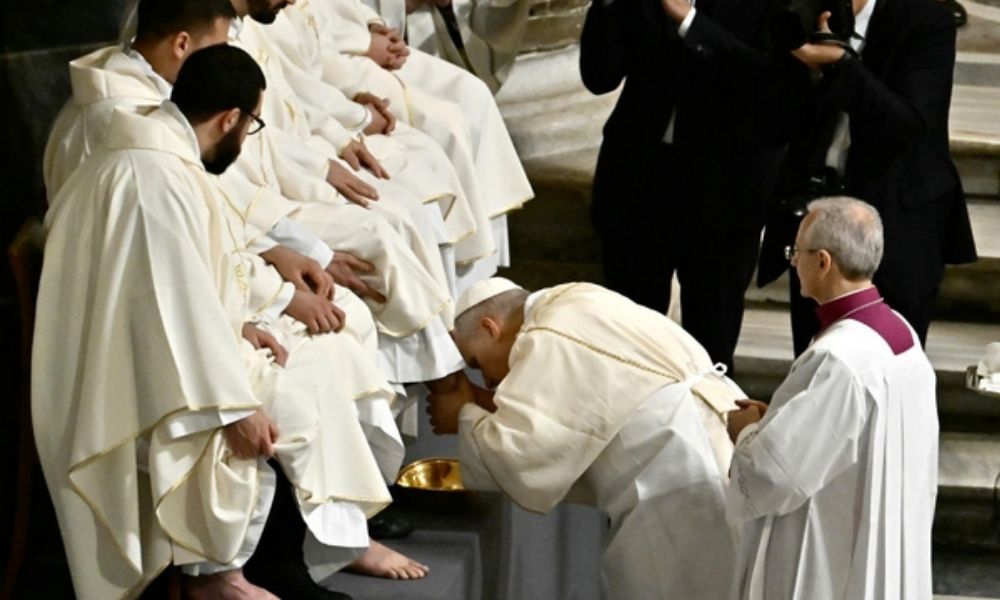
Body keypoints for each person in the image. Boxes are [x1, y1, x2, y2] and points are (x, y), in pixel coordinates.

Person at [35, 44, 404, 600]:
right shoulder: (154, 174)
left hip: (134, 350)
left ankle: (279, 562)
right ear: (231, 118)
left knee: (301, 370)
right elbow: (170, 300)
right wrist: (233, 405)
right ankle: (218, 577)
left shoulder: (158, 151)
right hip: (117, 384)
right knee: (286, 412)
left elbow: (181, 281)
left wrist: (240, 323)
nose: (248, 135)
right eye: (253, 123)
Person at [426, 278, 741, 598]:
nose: (490, 380)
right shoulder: (571, 302)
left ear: (490, 327)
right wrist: (477, 402)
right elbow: (567, 406)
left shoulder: (546, 336)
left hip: (675, 480)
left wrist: (463, 416)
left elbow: (524, 452)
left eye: (477, 363)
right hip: (704, 446)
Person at [727, 197, 938, 599]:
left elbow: (773, 475)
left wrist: (746, 432)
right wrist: (781, 420)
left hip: (834, 553)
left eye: (796, 253)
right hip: (884, 532)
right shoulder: (901, 333)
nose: (792, 262)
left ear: (823, 262)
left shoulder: (837, 357)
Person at [756, 0, 977, 355]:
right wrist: (804, 69)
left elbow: (908, 126)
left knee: (888, 369)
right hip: (819, 217)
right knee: (815, 365)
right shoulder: (798, 16)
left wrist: (841, 63)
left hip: (899, 218)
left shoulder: (924, 17)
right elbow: (771, 126)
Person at [579, 0, 785, 373]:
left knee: (710, 352)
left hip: (724, 187)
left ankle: (710, 429)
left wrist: (690, 22)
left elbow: (773, 83)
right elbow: (598, 76)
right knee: (627, 346)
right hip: (638, 180)